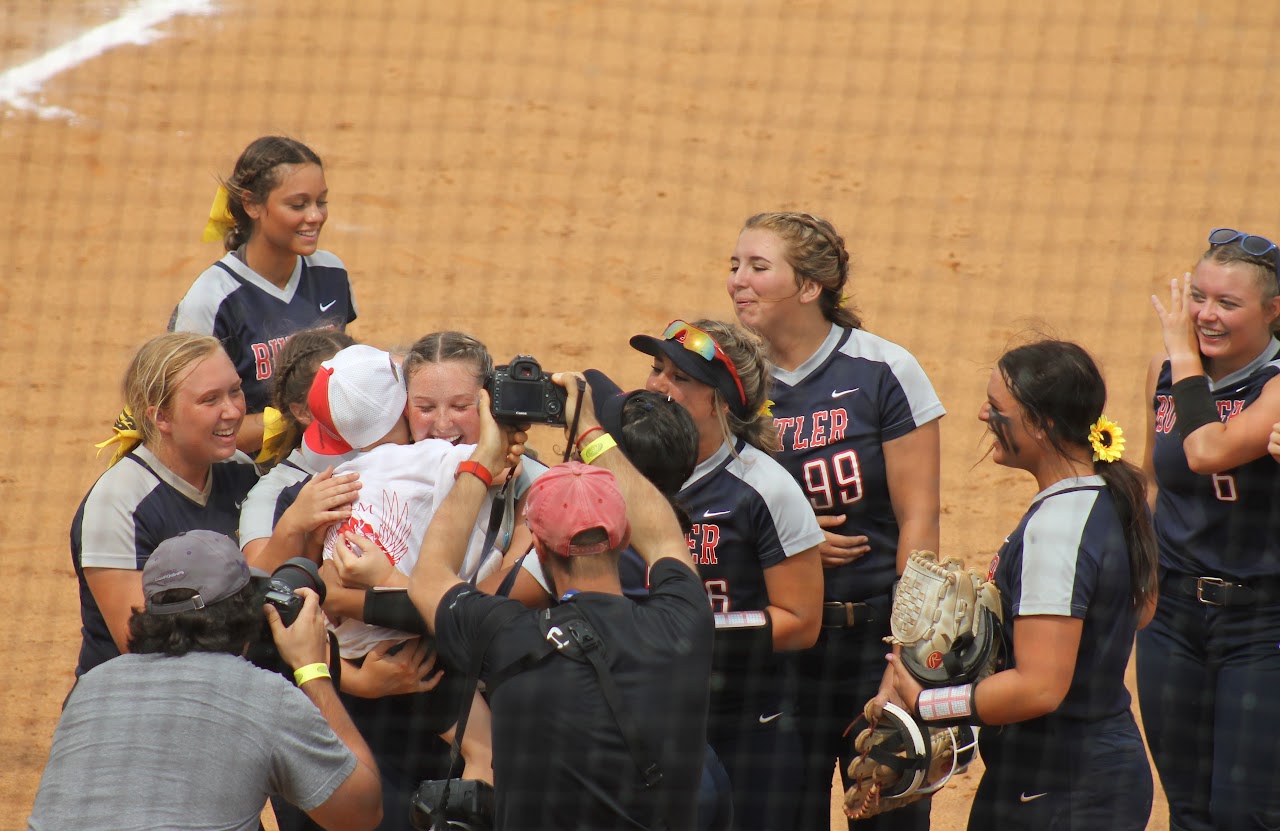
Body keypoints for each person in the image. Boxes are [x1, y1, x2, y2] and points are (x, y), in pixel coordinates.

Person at [407, 376, 715, 830]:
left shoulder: (504, 634)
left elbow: (429, 577)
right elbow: (665, 535)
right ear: (624, 537)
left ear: (542, 550)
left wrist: (483, 461)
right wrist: (589, 429)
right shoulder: (683, 623)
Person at [727, 211, 944, 830]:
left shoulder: (882, 371)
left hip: (869, 644)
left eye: (758, 266)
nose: (739, 280)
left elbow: (920, 521)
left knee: (887, 816)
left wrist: (907, 658)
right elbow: (702, 505)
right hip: (775, 651)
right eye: (735, 266)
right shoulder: (730, 383)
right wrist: (788, 544)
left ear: (809, 286)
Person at [883, 340, 1156, 830]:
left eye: (998, 407)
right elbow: (1140, 610)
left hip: (1065, 783)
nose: (983, 414)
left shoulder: (1058, 530)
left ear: (1041, 423)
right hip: (1069, 770)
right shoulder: (1109, 496)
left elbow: (1040, 688)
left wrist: (930, 703)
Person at [29, 530, 382, 831]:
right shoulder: (263, 696)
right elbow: (361, 813)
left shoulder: (93, 687)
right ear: (246, 613)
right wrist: (312, 669)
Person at [630, 318, 824, 831]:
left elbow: (802, 622)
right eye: (657, 369)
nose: (658, 386)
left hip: (745, 729)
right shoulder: (627, 473)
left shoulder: (766, 489)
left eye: (681, 377)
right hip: (648, 721)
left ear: (721, 399)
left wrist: (691, 630)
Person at [1139, 228, 1280, 830]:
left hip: (1262, 621)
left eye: (1227, 303)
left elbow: (1205, 452)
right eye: (1198, 296)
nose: (1204, 314)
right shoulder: (1161, 374)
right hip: (1172, 617)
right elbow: (1153, 481)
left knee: (1245, 814)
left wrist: (1184, 356)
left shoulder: (1274, 385)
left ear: (1274, 311)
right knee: (1189, 809)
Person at [74, 332, 259, 677]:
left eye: (235, 390)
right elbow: (141, 645)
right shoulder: (119, 503)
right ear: (161, 417)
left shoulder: (239, 470)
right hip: (135, 702)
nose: (233, 411)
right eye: (210, 400)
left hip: (225, 682)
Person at [170, 135, 357, 453]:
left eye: (320, 201)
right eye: (298, 205)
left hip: (324, 462)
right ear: (252, 204)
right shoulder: (212, 300)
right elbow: (188, 426)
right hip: (241, 476)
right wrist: (296, 420)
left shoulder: (331, 273)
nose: (315, 216)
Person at [240, 327, 361, 573]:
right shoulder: (274, 492)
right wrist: (293, 523)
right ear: (302, 411)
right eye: (334, 393)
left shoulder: (402, 450)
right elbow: (255, 581)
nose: (356, 401)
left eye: (359, 386)